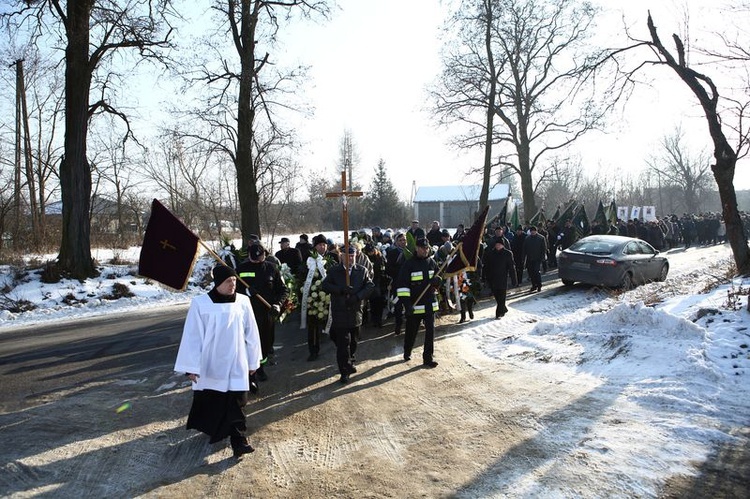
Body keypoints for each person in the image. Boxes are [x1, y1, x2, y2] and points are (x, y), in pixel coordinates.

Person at [174, 265, 262, 458]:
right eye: (228, 281)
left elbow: (251, 333)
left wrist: (253, 360)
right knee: (216, 402)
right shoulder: (201, 304)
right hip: (211, 364)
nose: (233, 285)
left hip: (237, 361)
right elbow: (192, 336)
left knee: (237, 402)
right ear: (218, 283)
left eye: (235, 281)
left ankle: (239, 441)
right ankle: (224, 433)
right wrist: (190, 366)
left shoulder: (243, 301)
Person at [321, 245, 375, 383]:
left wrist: (357, 297)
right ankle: (344, 370)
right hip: (340, 312)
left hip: (356, 312)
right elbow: (325, 286)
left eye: (353, 256)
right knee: (343, 343)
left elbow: (370, 286)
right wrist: (340, 290)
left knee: (354, 341)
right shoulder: (334, 271)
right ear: (341, 256)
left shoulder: (361, 271)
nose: (351, 258)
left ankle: (351, 360)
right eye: (347, 256)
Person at [236, 242, 288, 383]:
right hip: (247, 314)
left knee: (266, 343)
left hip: (267, 313)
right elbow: (233, 290)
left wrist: (278, 304)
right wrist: (246, 292)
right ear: (249, 256)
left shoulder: (272, 268)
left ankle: (260, 366)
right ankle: (250, 372)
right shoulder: (241, 269)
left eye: (261, 257)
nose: (259, 260)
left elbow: (283, 290)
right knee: (249, 342)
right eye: (255, 258)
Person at [395, 237, 441, 368]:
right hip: (414, 306)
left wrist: (437, 281)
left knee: (430, 333)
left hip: (429, 305)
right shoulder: (408, 264)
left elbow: (438, 277)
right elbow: (402, 286)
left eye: (427, 248)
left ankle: (428, 358)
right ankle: (407, 351)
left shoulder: (432, 262)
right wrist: (407, 304)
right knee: (411, 332)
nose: (425, 251)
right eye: (422, 248)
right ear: (416, 248)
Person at [301, 234, 331, 361]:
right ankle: (313, 350)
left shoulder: (332, 259)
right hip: (313, 299)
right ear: (315, 246)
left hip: (329, 296)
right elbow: (302, 276)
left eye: (324, 244)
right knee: (313, 326)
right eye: (320, 245)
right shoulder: (308, 260)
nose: (322, 247)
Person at [482, 237, 518, 319]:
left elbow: (512, 267)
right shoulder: (491, 253)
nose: (498, 246)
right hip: (492, 278)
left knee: (502, 295)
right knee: (496, 295)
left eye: (500, 244)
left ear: (503, 245)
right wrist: (484, 276)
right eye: (497, 244)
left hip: (502, 278)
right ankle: (503, 308)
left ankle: (498, 313)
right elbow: (486, 266)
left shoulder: (508, 253)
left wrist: (514, 279)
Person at [385, 232, 408, 335]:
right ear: (396, 242)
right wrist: (400, 269)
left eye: (404, 240)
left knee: (409, 304)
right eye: (400, 240)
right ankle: (398, 323)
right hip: (397, 283)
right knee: (398, 304)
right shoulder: (392, 253)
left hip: (409, 284)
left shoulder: (410, 252)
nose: (403, 242)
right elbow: (388, 269)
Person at [522, 226, 547, 292]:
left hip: (537, 258)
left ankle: (539, 285)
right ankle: (534, 285)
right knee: (531, 273)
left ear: (536, 231)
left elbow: (544, 248)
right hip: (530, 258)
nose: (533, 232)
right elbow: (524, 249)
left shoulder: (541, 238)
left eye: (534, 231)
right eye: (531, 231)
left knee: (536, 272)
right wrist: (523, 258)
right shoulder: (527, 238)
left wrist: (543, 258)